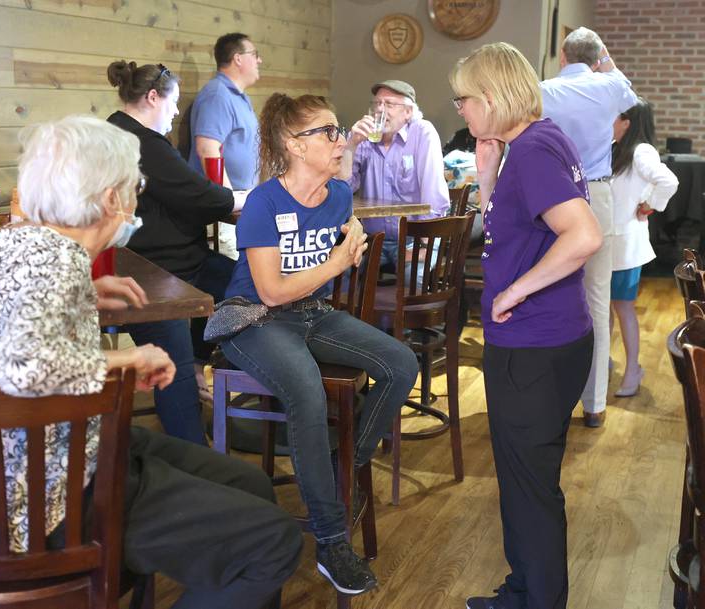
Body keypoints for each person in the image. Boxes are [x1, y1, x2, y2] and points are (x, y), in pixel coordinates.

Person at [0, 115, 301, 609]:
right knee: (274, 542)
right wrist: (127, 358)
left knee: (249, 483)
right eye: (135, 186)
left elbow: (13, 330)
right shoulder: (54, 263)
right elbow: (23, 369)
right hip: (36, 508)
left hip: (16, 478)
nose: (135, 199)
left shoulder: (7, 244)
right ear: (110, 199)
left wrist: (84, 296)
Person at [220, 93, 418, 596]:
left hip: (312, 315)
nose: (340, 139)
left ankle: (344, 465)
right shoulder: (264, 201)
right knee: (306, 393)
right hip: (256, 319)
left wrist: (348, 242)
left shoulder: (338, 195)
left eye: (337, 130)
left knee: (401, 362)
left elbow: (319, 275)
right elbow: (270, 290)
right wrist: (337, 263)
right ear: (294, 145)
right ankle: (332, 541)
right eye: (327, 132)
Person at [451, 43, 602, 609]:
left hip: (534, 346)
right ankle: (524, 590)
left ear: (489, 98)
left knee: (530, 487)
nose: (461, 111)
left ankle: (537, 601)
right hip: (549, 341)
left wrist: (514, 290)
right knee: (524, 480)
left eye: (463, 99)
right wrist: (487, 175)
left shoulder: (535, 149)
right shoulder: (538, 140)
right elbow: (512, 231)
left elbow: (582, 237)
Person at [107, 61, 236, 443]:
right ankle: (190, 453)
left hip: (175, 265)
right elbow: (204, 197)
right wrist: (237, 197)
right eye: (174, 103)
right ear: (152, 98)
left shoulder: (118, 131)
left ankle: (202, 370)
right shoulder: (140, 142)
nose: (178, 112)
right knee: (176, 354)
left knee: (244, 287)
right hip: (152, 273)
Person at [540, 27, 638, 428]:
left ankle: (550, 399)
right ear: (596, 58)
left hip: (553, 197)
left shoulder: (542, 89)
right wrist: (604, 58)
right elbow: (628, 91)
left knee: (550, 297)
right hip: (597, 196)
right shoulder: (610, 85)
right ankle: (594, 404)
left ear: (562, 57)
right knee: (597, 302)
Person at [340, 79, 450, 270]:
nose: (380, 110)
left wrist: (424, 244)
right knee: (343, 278)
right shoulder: (363, 137)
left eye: (389, 104)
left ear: (408, 112)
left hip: (413, 238)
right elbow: (342, 191)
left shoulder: (423, 133)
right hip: (372, 241)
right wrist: (351, 146)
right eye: (376, 104)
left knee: (413, 279)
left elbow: (434, 194)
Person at [610, 98, 678, 396]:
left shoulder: (641, 151)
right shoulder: (616, 150)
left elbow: (668, 181)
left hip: (626, 245)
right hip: (606, 244)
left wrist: (649, 204)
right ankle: (605, 362)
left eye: (613, 117)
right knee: (603, 308)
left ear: (627, 121)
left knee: (622, 307)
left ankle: (633, 369)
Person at [188, 32, 262, 259]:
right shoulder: (217, 95)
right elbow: (207, 149)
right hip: (225, 212)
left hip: (241, 205)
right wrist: (226, 201)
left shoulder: (240, 97)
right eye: (255, 55)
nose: (259, 61)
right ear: (238, 58)